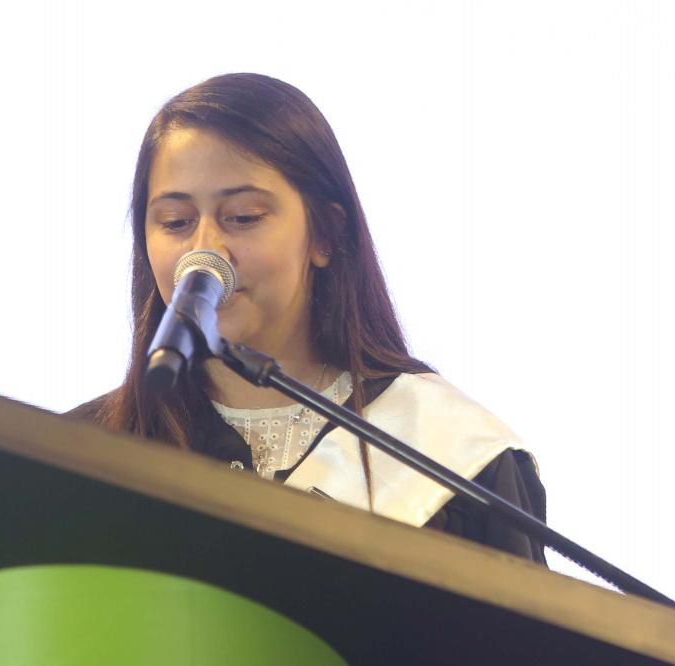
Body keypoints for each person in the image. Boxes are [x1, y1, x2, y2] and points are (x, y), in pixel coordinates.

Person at [66, 73, 546, 564]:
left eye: (244, 216)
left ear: (325, 234)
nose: (204, 253)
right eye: (176, 222)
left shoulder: (450, 452)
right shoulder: (82, 454)